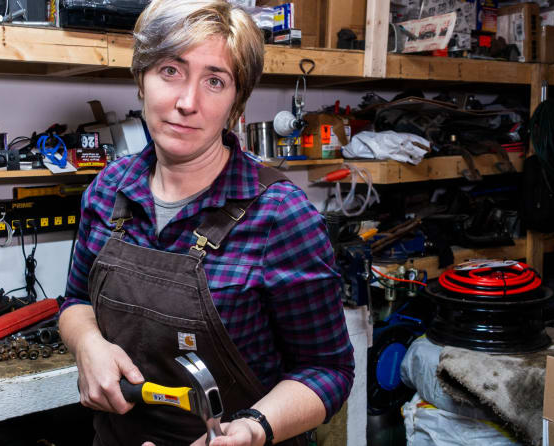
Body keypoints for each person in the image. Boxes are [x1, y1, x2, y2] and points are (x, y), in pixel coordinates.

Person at [58, 1, 354, 445]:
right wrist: (88, 345)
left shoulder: (280, 216)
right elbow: (75, 301)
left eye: (215, 81)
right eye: (170, 71)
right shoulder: (107, 191)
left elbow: (328, 370)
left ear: (237, 102)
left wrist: (254, 430)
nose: (186, 102)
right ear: (142, 78)